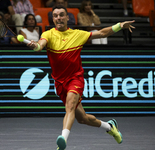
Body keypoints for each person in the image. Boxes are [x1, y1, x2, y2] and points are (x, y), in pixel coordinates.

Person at [26, 5, 135, 150]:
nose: (59, 18)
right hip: (59, 83)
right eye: (56, 15)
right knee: (82, 118)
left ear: (67, 17)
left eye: (61, 15)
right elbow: (40, 45)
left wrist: (119, 25)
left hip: (75, 79)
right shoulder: (48, 34)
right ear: (53, 18)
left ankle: (62, 140)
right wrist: (35, 46)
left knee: (70, 106)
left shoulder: (78, 34)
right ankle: (110, 126)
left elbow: (102, 33)